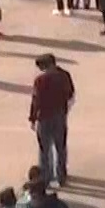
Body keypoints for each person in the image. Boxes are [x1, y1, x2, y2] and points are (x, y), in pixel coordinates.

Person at [31, 54, 75, 186]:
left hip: (44, 117)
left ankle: (46, 176)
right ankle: (61, 175)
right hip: (59, 115)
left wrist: (33, 118)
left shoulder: (40, 80)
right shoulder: (64, 75)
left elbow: (35, 101)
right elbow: (70, 94)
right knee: (60, 146)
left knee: (45, 149)